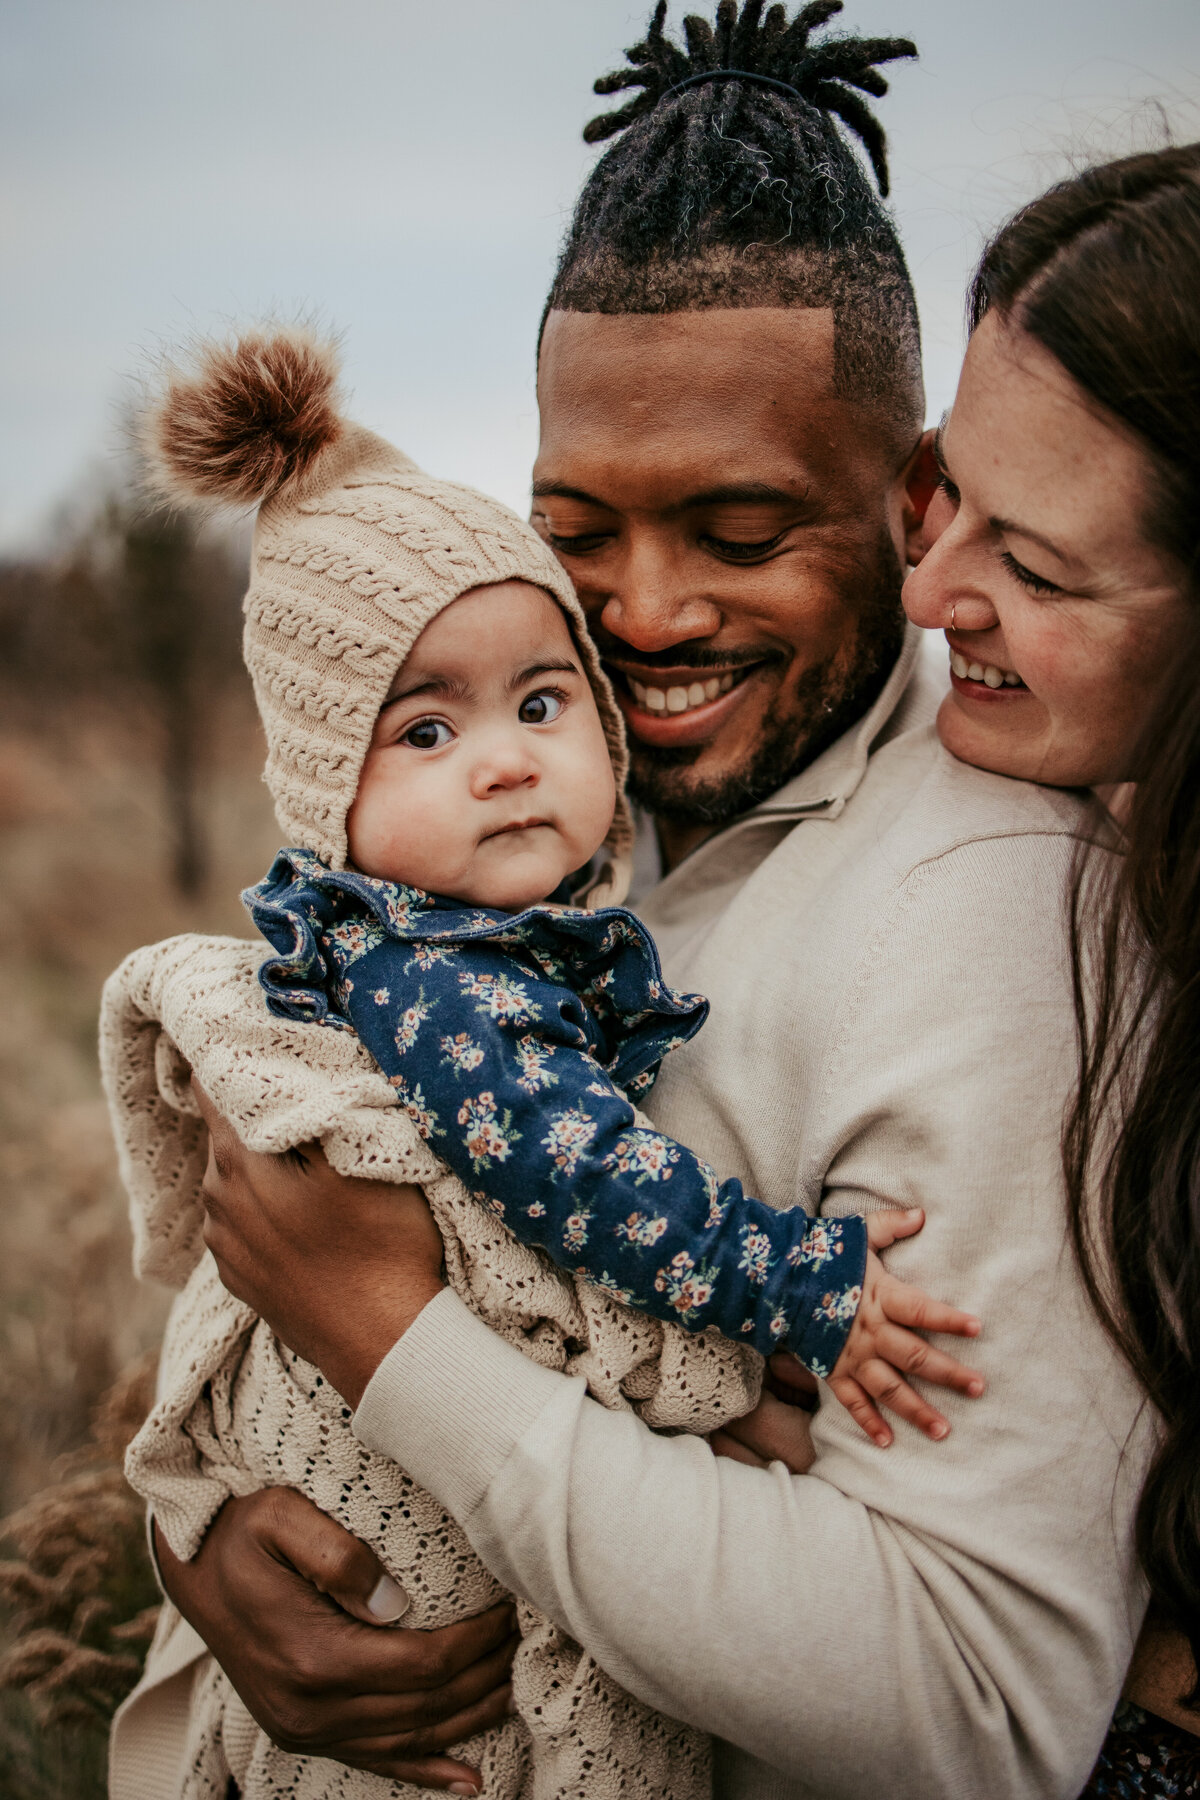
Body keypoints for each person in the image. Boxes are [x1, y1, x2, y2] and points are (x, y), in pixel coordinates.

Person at [110, 8, 1162, 1798]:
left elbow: (987, 1711)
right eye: (579, 529)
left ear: (913, 500)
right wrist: (205, 1561)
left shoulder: (995, 914)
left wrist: (393, 1348)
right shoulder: (550, 805)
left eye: (743, 535)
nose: (646, 615)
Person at [104, 330, 976, 1798]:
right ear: (326, 788)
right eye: (426, 729)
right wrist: (797, 1287)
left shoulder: (524, 919)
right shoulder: (439, 982)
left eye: (541, 702)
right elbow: (571, 1182)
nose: (504, 761)